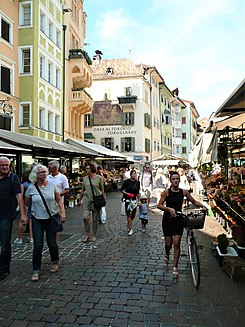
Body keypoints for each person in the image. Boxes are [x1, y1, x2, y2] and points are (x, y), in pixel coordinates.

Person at [157, 171, 207, 279]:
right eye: (173, 179)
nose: (175, 181)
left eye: (177, 179)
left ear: (179, 180)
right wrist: (168, 209)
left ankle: (175, 267)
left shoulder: (184, 192)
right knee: (168, 243)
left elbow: (194, 202)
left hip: (178, 219)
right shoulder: (167, 192)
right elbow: (159, 205)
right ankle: (166, 253)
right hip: (168, 220)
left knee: (176, 243)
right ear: (171, 180)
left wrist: (203, 206)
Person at [25, 164, 66, 282]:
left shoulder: (52, 186)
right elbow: (27, 202)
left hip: (51, 218)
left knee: (52, 243)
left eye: (45, 172)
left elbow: (58, 199)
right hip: (37, 219)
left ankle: (55, 262)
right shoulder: (31, 188)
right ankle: (36, 270)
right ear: (35, 175)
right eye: (40, 172)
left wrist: (62, 211)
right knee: (37, 245)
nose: (43, 174)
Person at [0, 156, 28, 281]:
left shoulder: (13, 178)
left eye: (7, 165)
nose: (5, 167)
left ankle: (4, 269)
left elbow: (19, 196)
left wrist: (23, 214)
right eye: (2, 165)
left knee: (5, 243)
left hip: (6, 216)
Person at [77, 163, 104, 243]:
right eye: (86, 168)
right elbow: (83, 190)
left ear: (92, 169)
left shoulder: (99, 178)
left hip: (96, 201)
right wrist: (79, 200)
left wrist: (103, 201)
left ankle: (94, 235)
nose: (86, 170)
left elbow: (102, 190)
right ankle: (87, 234)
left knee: (95, 219)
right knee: (85, 217)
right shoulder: (85, 179)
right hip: (86, 201)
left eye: (88, 168)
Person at [47, 160, 69, 243]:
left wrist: (58, 194)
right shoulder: (47, 177)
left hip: (58, 204)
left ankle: (56, 241)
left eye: (50, 167)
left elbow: (66, 190)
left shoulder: (62, 177)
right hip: (48, 204)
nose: (48, 168)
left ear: (55, 168)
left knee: (57, 222)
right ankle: (50, 239)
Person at [13, 170, 33, 244]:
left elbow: (20, 195)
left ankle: (20, 238)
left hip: (24, 204)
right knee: (31, 222)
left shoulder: (22, 185)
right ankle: (31, 238)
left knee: (22, 221)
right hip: (32, 204)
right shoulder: (33, 185)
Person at [120, 169, 140, 235]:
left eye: (135, 174)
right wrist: (127, 193)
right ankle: (131, 229)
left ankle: (129, 221)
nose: (134, 175)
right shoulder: (127, 182)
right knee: (128, 214)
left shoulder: (137, 182)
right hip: (127, 199)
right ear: (131, 175)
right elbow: (121, 189)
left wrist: (139, 200)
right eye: (133, 174)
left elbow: (137, 192)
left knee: (134, 213)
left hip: (133, 199)